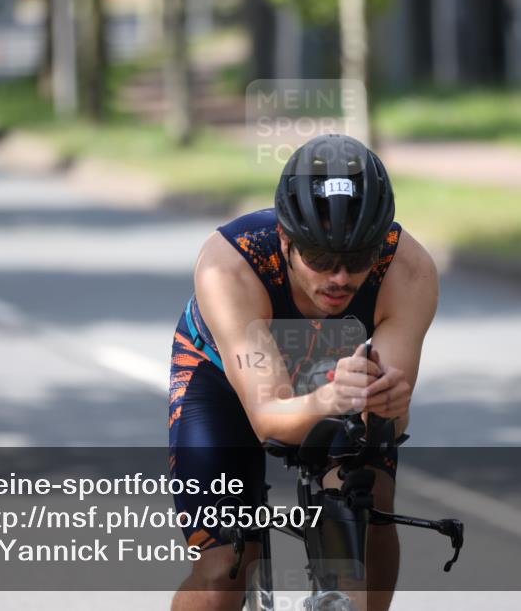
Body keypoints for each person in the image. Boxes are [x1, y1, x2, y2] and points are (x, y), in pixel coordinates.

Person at [168, 134, 439, 611]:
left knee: (365, 509)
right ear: (287, 241)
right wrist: (327, 402)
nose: (339, 278)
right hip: (225, 381)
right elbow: (268, 416)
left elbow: (392, 421)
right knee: (226, 563)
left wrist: (386, 406)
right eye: (319, 259)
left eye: (357, 261)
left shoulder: (408, 269)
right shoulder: (230, 266)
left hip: (335, 376)